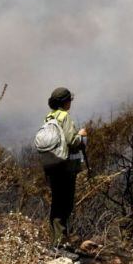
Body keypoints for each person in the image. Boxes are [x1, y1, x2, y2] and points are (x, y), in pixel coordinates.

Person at [44, 87, 87, 249]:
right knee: (65, 204)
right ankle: (60, 244)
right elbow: (71, 141)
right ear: (65, 102)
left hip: (52, 166)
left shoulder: (49, 117)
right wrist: (82, 136)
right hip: (65, 168)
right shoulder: (64, 116)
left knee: (57, 203)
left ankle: (56, 241)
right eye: (69, 100)